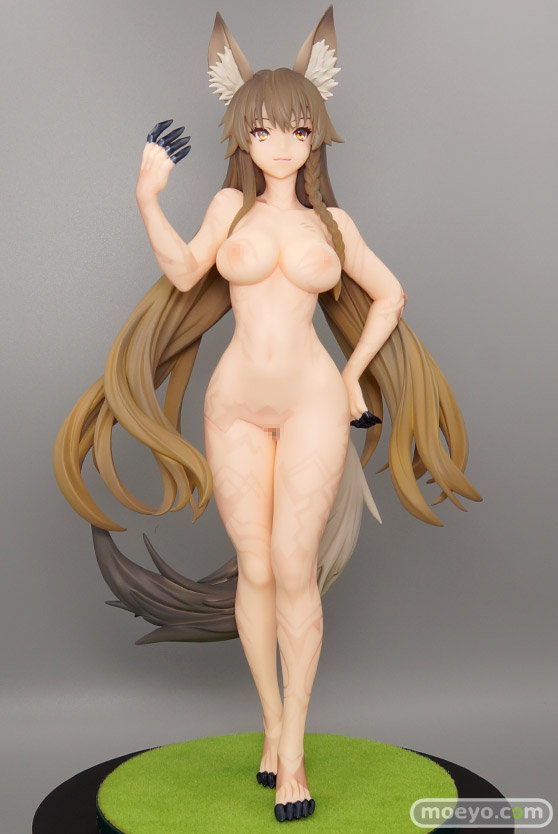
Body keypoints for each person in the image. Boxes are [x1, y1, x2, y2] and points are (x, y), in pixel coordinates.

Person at [53, 8, 481, 823]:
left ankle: (293, 757)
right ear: (243, 138)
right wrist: (148, 197)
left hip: (314, 399)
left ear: (315, 135)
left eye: (297, 129)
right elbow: (186, 274)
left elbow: (389, 295)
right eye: (262, 130)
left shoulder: (333, 225)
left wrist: (352, 376)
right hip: (236, 405)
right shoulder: (228, 209)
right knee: (254, 569)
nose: (281, 144)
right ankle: (275, 725)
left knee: (294, 567)